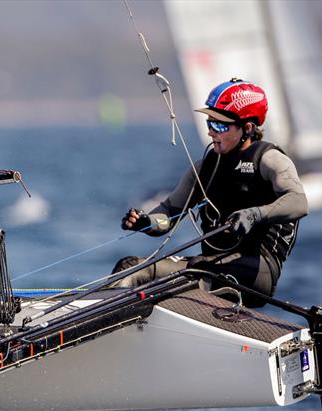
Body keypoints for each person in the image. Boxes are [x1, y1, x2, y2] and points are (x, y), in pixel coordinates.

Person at [112, 78, 308, 304]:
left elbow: (299, 202)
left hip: (256, 271)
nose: (211, 133)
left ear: (248, 128)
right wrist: (147, 222)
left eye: (221, 126)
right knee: (130, 268)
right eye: (210, 123)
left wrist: (254, 214)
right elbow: (168, 213)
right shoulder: (205, 167)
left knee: (195, 272)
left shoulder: (269, 159)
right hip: (209, 264)